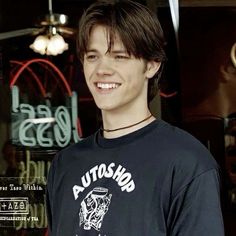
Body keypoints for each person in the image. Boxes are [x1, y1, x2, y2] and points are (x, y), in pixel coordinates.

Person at [46, 1, 224, 235]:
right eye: (92, 56)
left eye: (119, 56)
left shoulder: (187, 163)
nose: (102, 69)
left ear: (151, 65)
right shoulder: (64, 165)